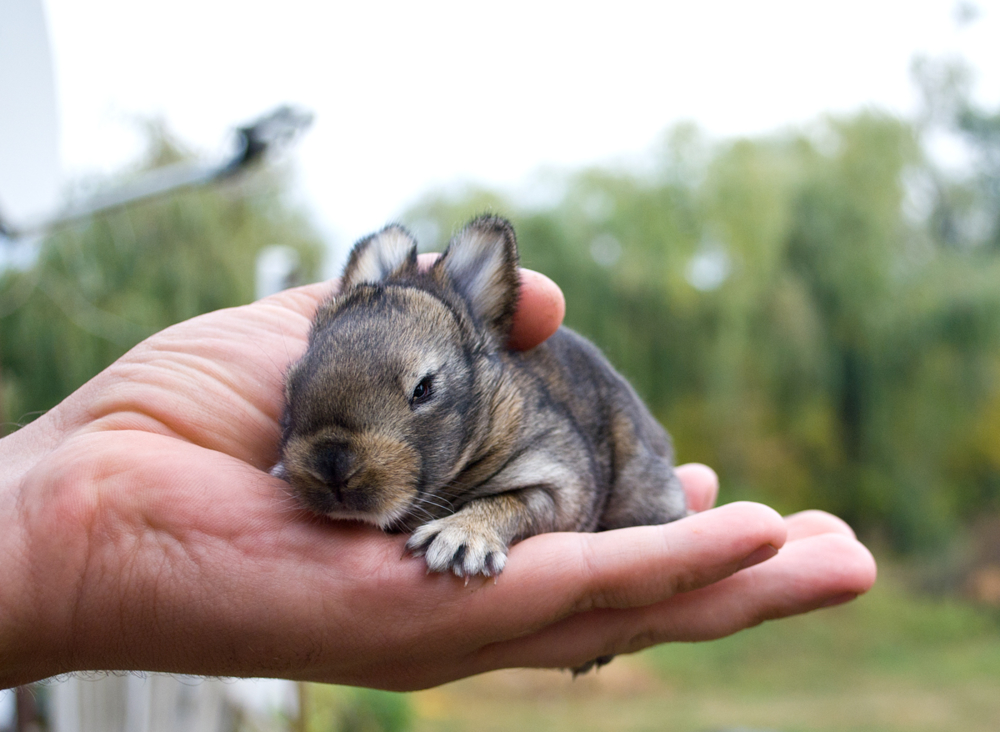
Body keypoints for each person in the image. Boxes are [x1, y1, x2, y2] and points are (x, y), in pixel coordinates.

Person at [0, 265, 876, 691]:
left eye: (416, 396)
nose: (343, 464)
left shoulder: (508, 409)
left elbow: (563, 485)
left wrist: (489, 522)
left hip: (619, 479)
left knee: (652, 510)